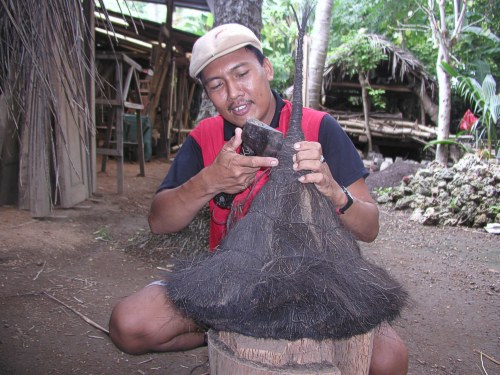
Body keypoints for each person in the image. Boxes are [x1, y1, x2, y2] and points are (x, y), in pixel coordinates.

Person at [109, 23, 408, 375]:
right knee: (128, 325)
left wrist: (332, 190)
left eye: (242, 73)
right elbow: (159, 221)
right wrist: (210, 180)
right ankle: (224, 330)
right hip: (230, 282)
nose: (234, 92)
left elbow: (369, 227)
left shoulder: (319, 127)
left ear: (266, 69)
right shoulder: (206, 137)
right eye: (217, 85)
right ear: (209, 94)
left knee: (389, 360)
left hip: (318, 286)